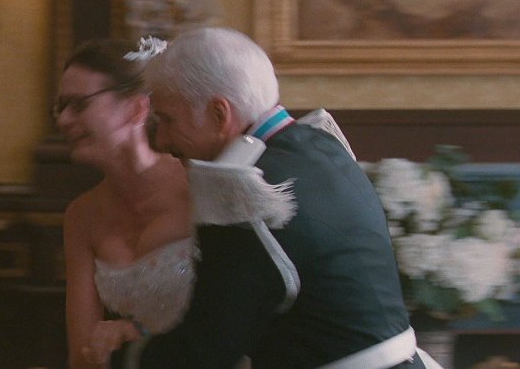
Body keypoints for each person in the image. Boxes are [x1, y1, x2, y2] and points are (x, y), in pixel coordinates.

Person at [103, 27, 436, 368]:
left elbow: (207, 351)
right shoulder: (320, 146)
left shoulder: (242, 195)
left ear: (219, 114)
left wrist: (120, 358)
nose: (161, 140)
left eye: (168, 120)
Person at [55, 39, 196, 369]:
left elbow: (234, 316)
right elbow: (82, 356)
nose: (62, 120)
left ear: (135, 110)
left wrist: (140, 333)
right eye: (60, 107)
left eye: (78, 105)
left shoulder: (196, 186)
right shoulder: (81, 217)